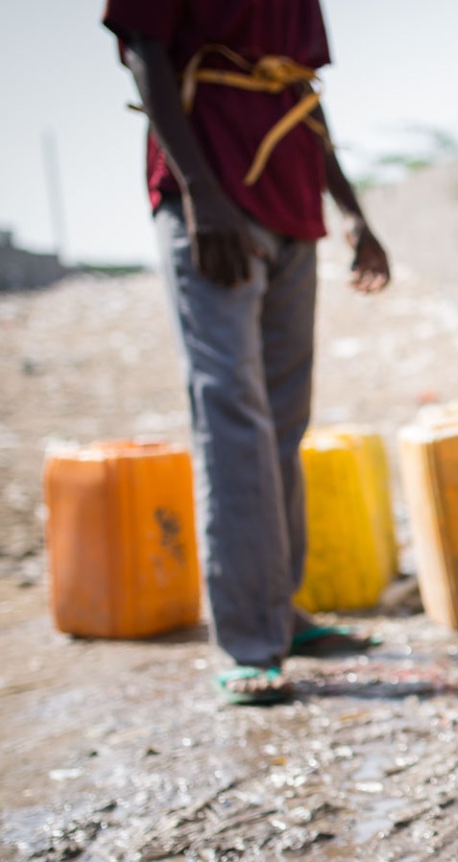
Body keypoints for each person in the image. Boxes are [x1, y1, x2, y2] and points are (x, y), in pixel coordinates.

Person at [104, 0, 390, 705]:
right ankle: (249, 640)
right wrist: (200, 192)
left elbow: (300, 95)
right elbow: (146, 52)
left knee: (284, 418)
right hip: (214, 209)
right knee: (232, 416)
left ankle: (280, 613)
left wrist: (351, 211)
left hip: (293, 207)